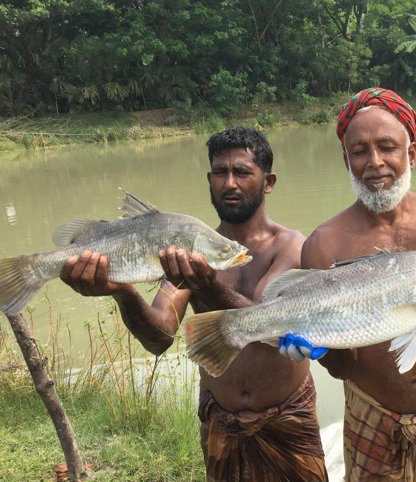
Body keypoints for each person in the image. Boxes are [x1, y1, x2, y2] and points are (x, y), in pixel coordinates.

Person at [59, 127, 328, 482]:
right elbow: (159, 337)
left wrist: (209, 285)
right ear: (209, 179)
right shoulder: (186, 250)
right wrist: (122, 290)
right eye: (220, 172)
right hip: (221, 420)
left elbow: (266, 325)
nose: (229, 183)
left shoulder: (292, 247)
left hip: (288, 418)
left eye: (243, 172)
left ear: (268, 181)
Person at [292, 87, 416, 481]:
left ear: (410, 153)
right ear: (346, 160)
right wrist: (319, 350)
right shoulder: (324, 243)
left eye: (387, 147)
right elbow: (343, 366)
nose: (375, 163)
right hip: (371, 417)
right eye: (359, 151)